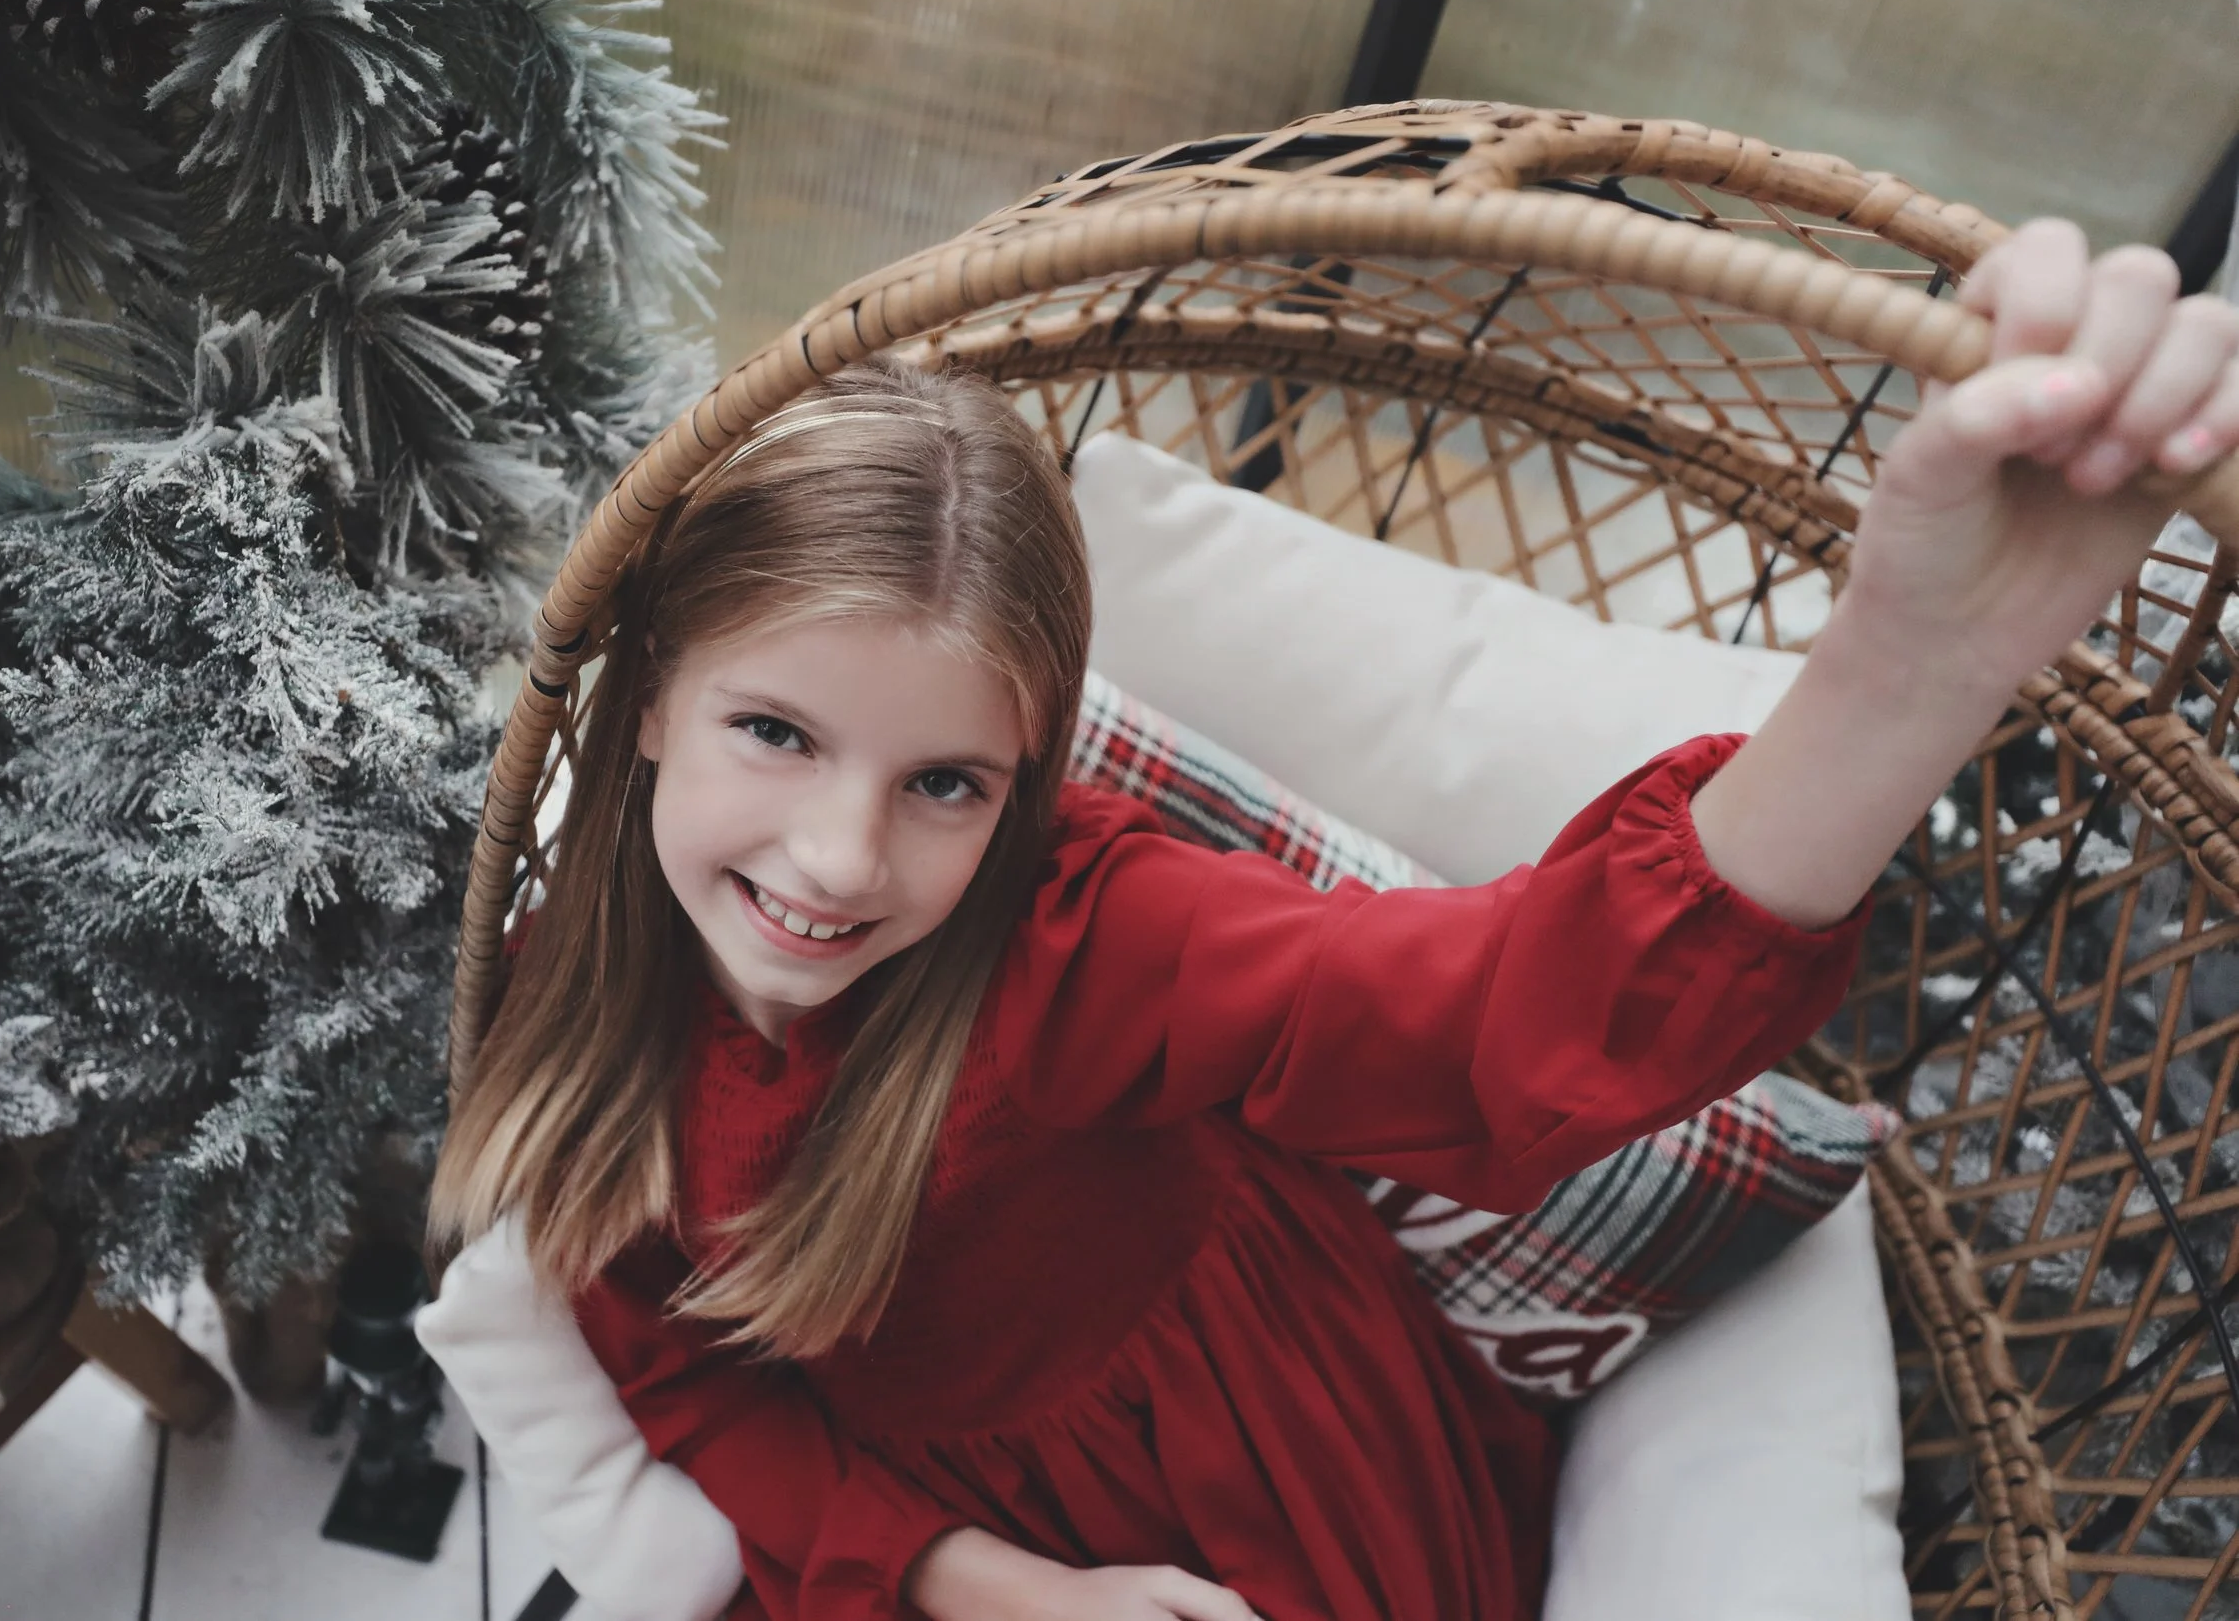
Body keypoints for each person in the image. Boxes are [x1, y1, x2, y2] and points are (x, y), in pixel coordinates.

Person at [428, 220, 2239, 1621]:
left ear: (1030, 781)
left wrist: (1906, 671)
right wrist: (974, 1577)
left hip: (1257, 1498)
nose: (835, 861)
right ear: (649, 693)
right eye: (776, 734)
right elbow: (670, 1374)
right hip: (940, 1546)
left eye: (945, 783)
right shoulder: (569, 1000)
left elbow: (1504, 1007)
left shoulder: (1081, 942)